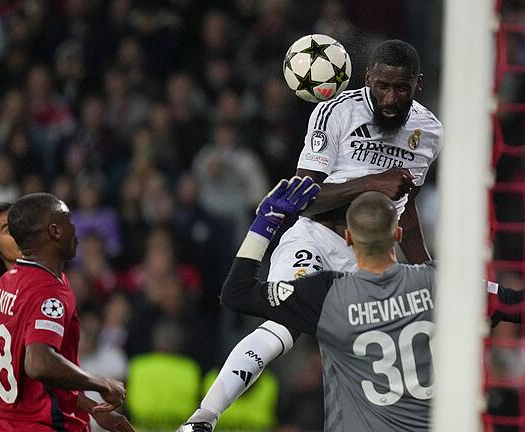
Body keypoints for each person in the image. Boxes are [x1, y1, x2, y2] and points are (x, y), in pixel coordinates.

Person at [180, 38, 442, 431]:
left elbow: (408, 206)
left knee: (382, 357)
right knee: (283, 327)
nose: (390, 97)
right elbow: (300, 199)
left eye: (400, 88)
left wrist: (425, 267)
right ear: (367, 78)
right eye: (382, 86)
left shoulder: (429, 132)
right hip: (314, 240)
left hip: (367, 259)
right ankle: (203, 418)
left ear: (417, 85)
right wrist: (373, 182)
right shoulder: (334, 112)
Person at [216, 177, 525, 431]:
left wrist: (265, 223)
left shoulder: (325, 295)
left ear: (349, 241)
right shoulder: (444, 285)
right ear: (399, 233)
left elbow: (236, 294)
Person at [0, 193, 134, 432]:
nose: (75, 230)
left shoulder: (2, 286)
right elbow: (39, 364)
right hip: (39, 425)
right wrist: (101, 384)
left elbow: (40, 381)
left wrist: (91, 408)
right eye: (69, 222)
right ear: (54, 231)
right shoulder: (48, 290)